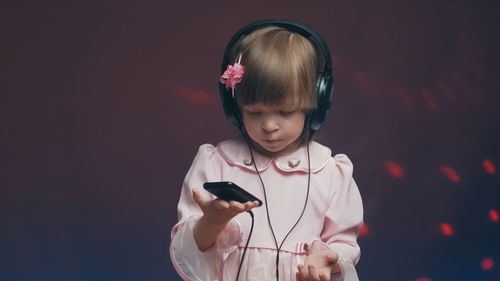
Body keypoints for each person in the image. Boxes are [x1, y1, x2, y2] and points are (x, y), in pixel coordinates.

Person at [170, 20, 364, 281]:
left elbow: (345, 244)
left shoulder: (329, 172)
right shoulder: (216, 163)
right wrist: (212, 221)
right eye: (255, 112)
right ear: (235, 107)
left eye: (285, 112)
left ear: (314, 105)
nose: (269, 126)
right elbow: (188, 251)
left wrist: (327, 259)